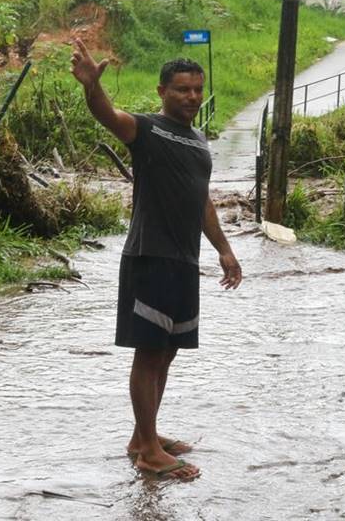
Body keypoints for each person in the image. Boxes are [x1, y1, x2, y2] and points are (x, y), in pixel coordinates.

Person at [69, 37, 242, 481]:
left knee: (167, 353)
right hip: (150, 256)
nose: (192, 97)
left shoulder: (199, 141)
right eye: (182, 89)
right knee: (148, 354)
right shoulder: (146, 130)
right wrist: (91, 87)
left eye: (197, 89)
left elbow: (201, 200)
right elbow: (108, 115)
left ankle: (141, 436)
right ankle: (148, 451)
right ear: (162, 91)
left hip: (184, 260)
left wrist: (224, 249)